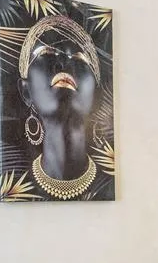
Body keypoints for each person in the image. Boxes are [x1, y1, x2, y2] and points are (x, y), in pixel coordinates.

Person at [16, 13, 105, 200]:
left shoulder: (109, 186)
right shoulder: (15, 186)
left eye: (80, 59)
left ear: (96, 96)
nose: (63, 64)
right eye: (46, 54)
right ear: (25, 91)